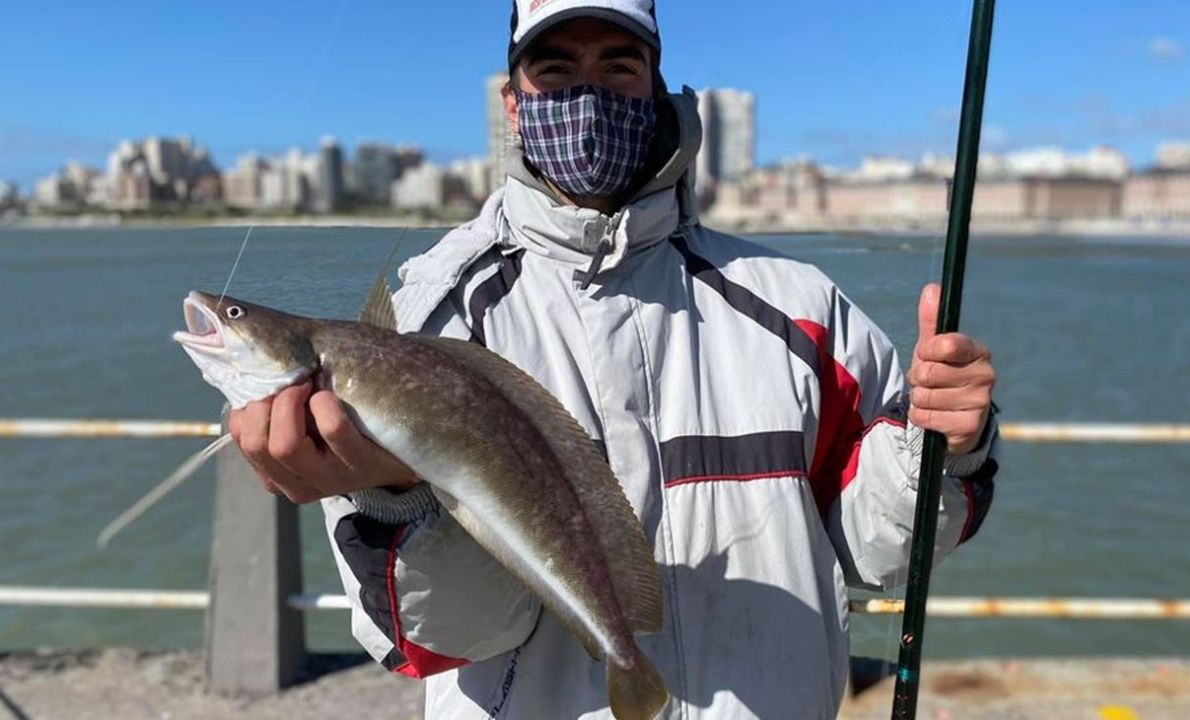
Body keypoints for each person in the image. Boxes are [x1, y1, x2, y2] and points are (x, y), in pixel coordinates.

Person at [228, 2, 1000, 718]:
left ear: (656, 87)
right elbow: (444, 640)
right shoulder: (427, 327)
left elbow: (881, 556)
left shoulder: (801, 306)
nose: (588, 96)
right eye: (556, 71)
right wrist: (395, 501)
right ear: (513, 103)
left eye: (618, 67)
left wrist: (944, 447)